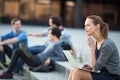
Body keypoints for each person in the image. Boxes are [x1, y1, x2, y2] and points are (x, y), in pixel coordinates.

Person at [0, 27, 67, 79]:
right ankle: (9, 71)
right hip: (35, 58)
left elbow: (62, 57)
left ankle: (8, 73)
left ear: (54, 35)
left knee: (17, 50)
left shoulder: (56, 44)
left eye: (49, 33)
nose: (48, 35)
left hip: (36, 62)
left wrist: (51, 59)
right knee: (20, 47)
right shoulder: (53, 43)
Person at [68, 15, 120, 80]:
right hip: (104, 74)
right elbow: (98, 66)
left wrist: (92, 48)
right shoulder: (98, 42)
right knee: (74, 71)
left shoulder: (107, 45)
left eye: (88, 25)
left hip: (112, 76)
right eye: (85, 25)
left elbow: (95, 68)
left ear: (97, 26)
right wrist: (90, 67)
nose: (85, 28)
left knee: (77, 73)